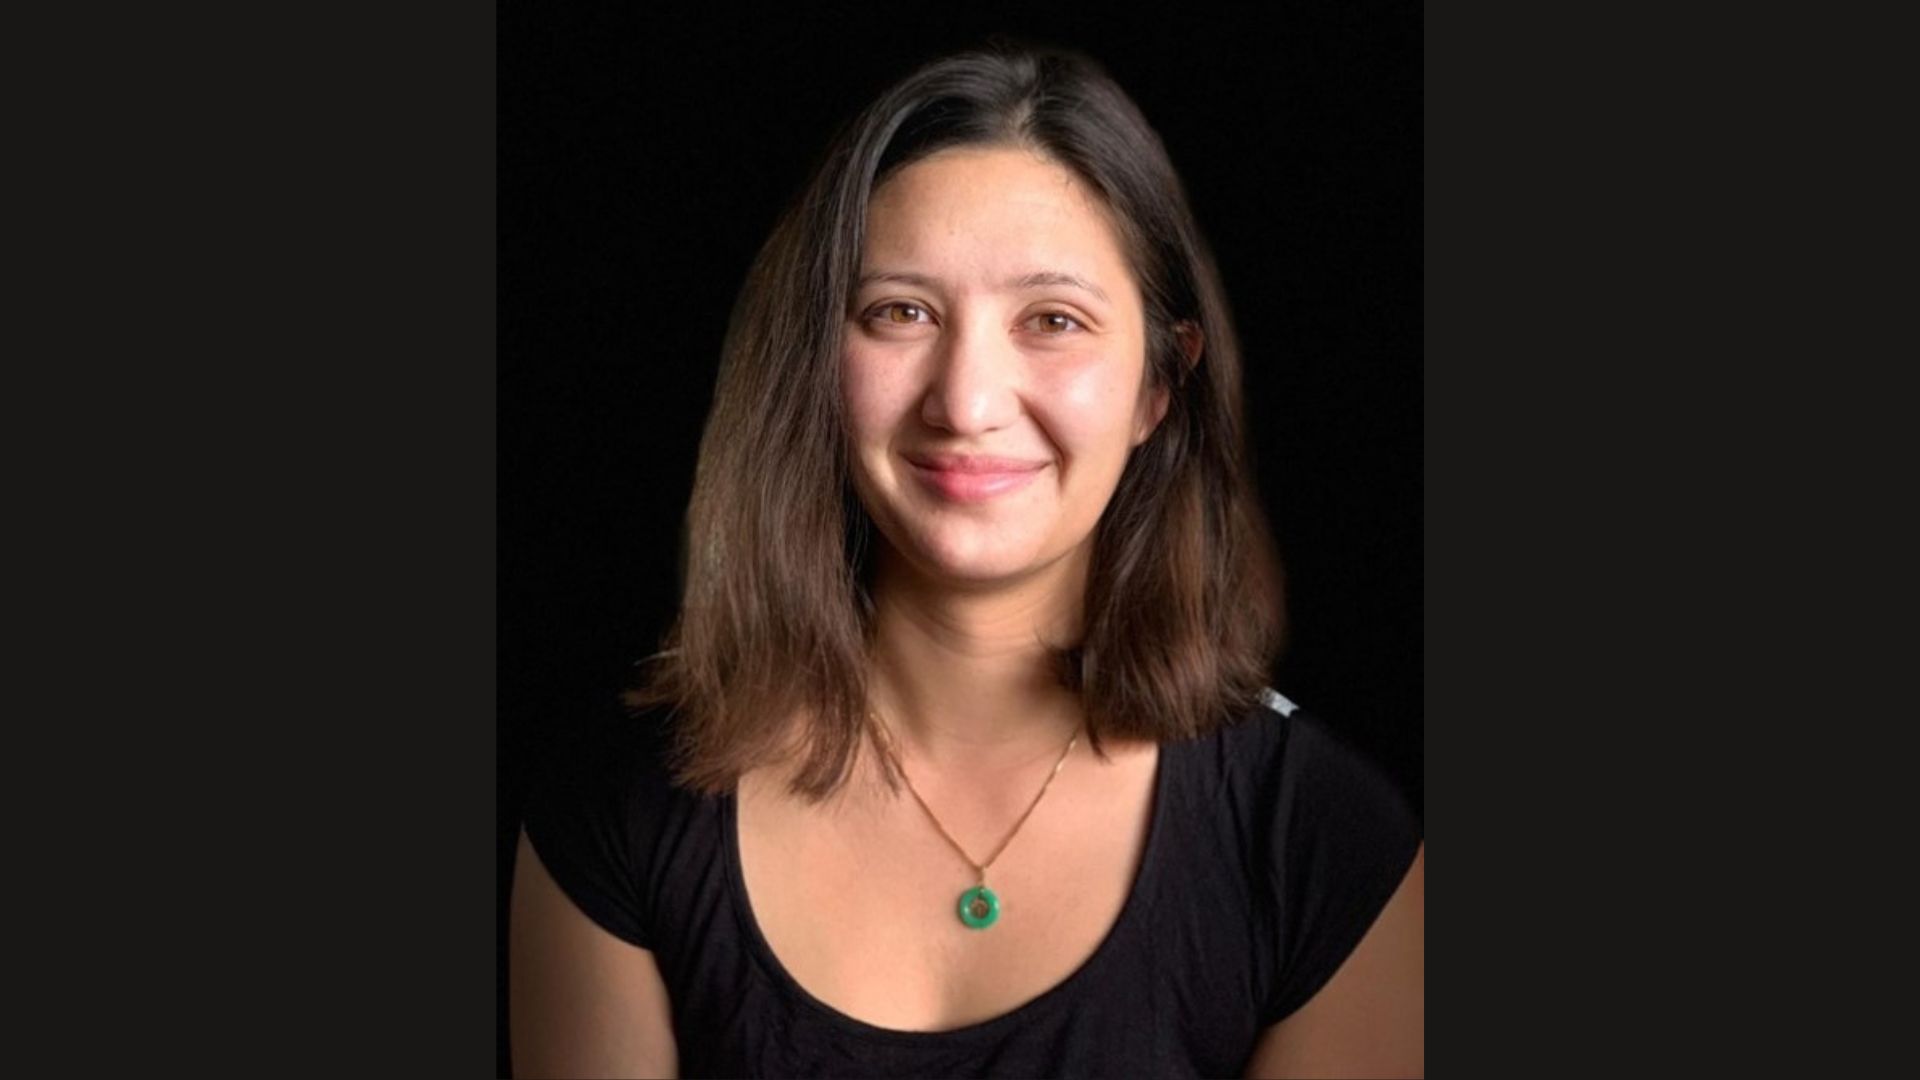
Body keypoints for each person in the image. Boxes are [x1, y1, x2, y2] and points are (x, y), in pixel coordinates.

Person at [510, 41, 1422, 1078]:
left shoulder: (1322, 837)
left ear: (1157, 391)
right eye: (901, 312)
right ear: (817, 361)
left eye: (1054, 321)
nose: (968, 402)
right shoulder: (618, 806)